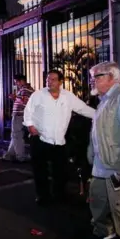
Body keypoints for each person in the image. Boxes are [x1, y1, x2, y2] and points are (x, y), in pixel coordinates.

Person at [23, 70, 95, 205]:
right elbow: (28, 111)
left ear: (60, 82)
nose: (49, 82)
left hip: (59, 141)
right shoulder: (38, 95)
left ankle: (59, 195)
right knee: (40, 171)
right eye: (47, 80)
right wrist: (30, 125)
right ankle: (43, 196)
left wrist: (99, 114)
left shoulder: (68, 97)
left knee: (61, 171)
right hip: (40, 139)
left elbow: (82, 108)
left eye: (53, 79)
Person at [86, 62, 120, 239]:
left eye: (97, 76)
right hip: (100, 165)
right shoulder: (104, 100)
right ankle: (105, 233)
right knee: (98, 201)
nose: (94, 80)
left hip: (117, 166)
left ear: (113, 77)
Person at [0, 74, 34, 163]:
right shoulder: (27, 89)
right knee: (15, 135)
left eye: (16, 82)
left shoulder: (25, 89)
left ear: (21, 81)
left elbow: (25, 101)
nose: (16, 84)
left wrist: (15, 97)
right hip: (21, 115)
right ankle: (9, 155)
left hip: (19, 115)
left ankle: (21, 156)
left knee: (17, 135)